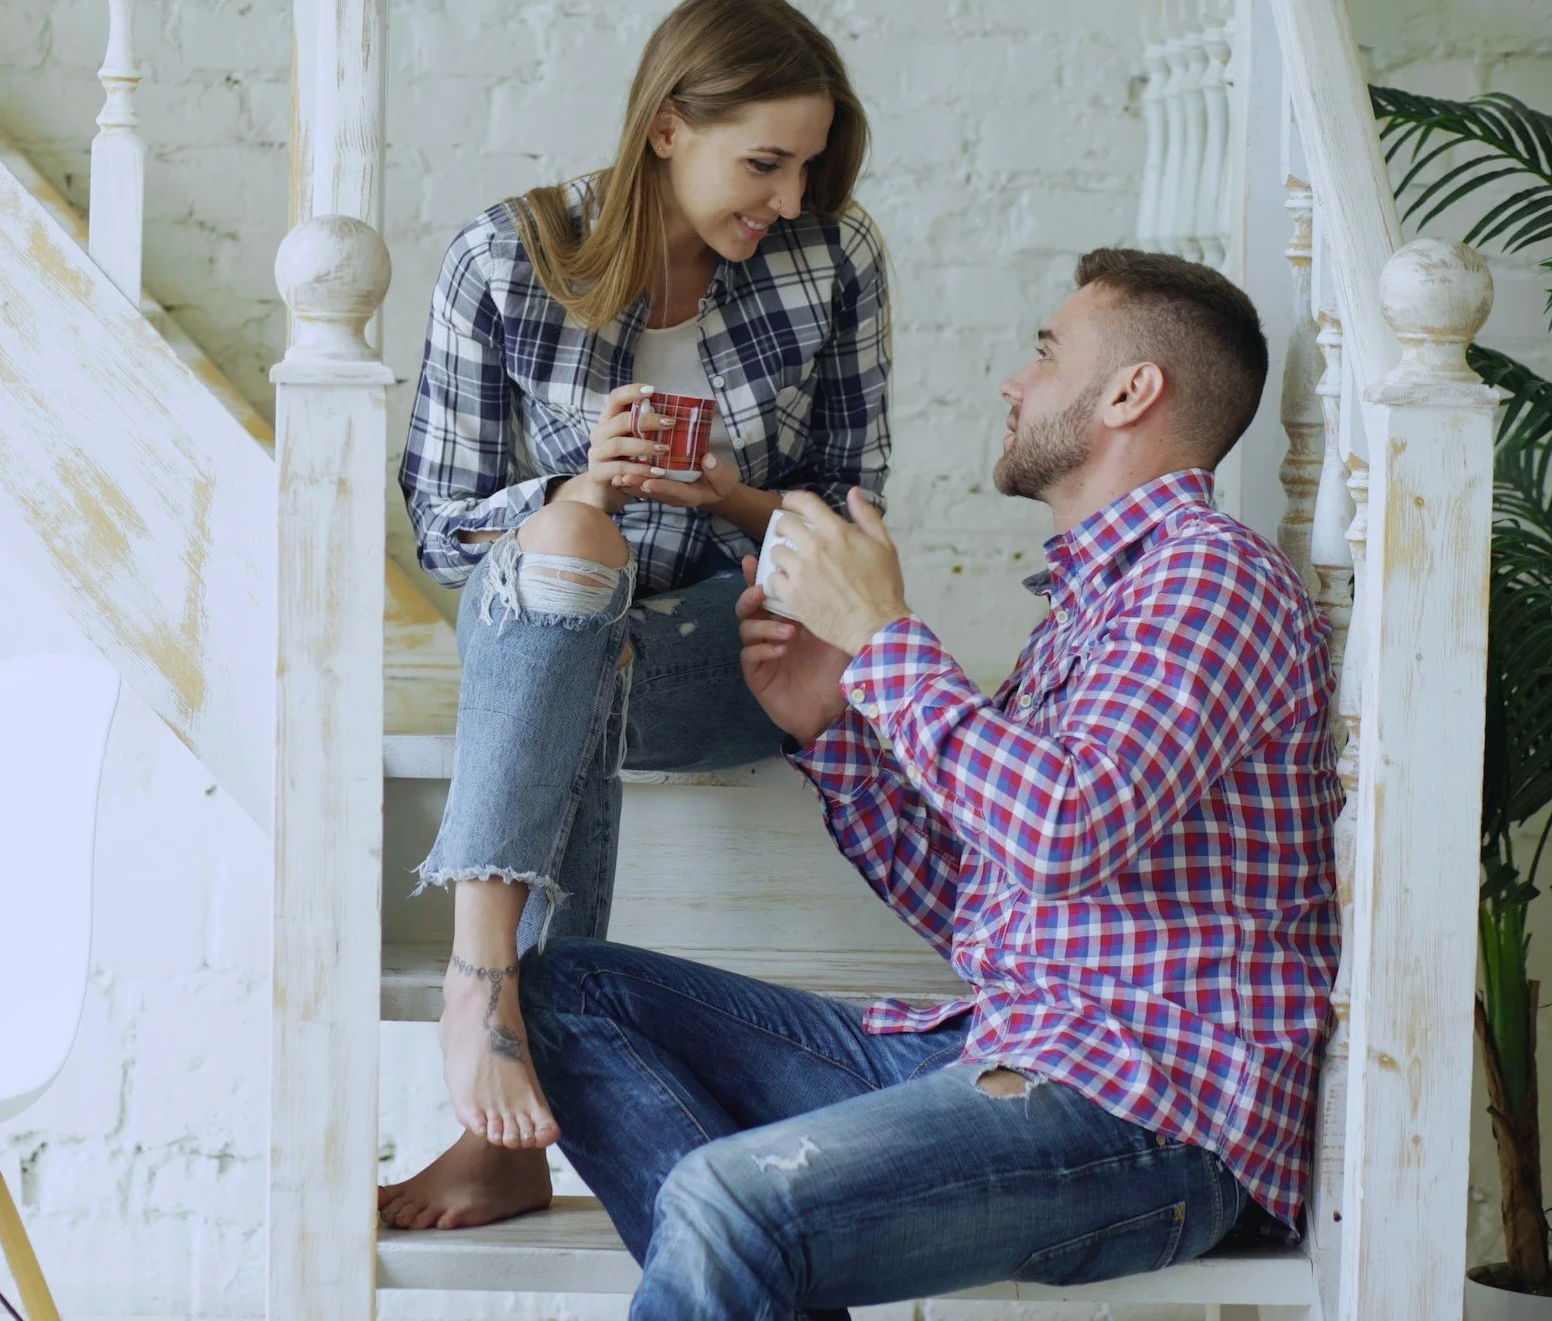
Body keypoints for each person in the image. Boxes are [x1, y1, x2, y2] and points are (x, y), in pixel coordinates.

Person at [519, 249, 1341, 1318]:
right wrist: (833, 729)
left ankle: (744, 1244)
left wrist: (883, 636)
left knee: (725, 1198)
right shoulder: (1095, 604)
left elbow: (1060, 832)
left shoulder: (1211, 575)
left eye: (1046, 353)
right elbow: (979, 899)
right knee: (565, 994)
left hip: (1150, 1107)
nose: (1014, 381)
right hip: (1004, 1048)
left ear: (1131, 392)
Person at [381, 0, 891, 1232]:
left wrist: (733, 498)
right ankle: (492, 993)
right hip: (547, 633)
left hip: (723, 655)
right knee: (572, 548)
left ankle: (486, 1021)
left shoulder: (836, 259)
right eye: (763, 165)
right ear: (666, 126)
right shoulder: (504, 257)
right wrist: (580, 486)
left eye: (807, 168)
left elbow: (852, 527)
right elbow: (441, 527)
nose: (789, 201)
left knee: (585, 613)